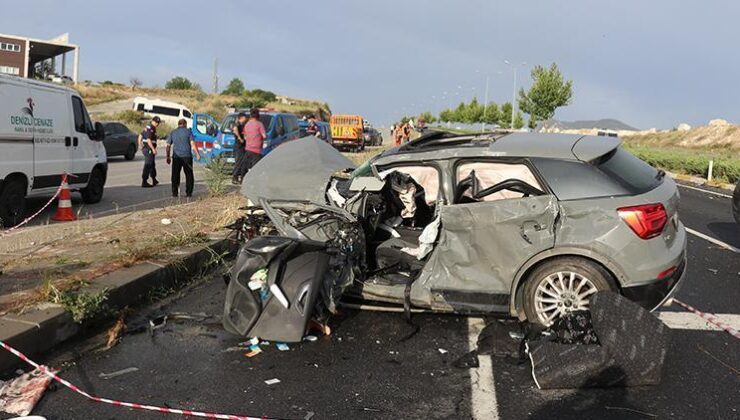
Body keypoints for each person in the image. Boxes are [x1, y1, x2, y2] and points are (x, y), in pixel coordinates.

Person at [166, 119, 201, 198]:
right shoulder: (188, 132)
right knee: (189, 175)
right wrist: (197, 154)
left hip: (176, 157)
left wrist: (168, 156)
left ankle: (175, 193)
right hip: (187, 156)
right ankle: (188, 193)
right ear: (185, 124)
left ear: (178, 124)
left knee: (175, 175)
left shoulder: (173, 132)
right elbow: (193, 144)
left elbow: (168, 146)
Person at [243, 108, 267, 176]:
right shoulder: (259, 124)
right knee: (255, 168)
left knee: (248, 167)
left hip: (248, 149)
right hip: (257, 150)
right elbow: (264, 136)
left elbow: (245, 136)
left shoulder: (247, 124)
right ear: (258, 115)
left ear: (250, 115)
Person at [139, 116, 161, 188]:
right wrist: (153, 149)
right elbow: (148, 140)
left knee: (152, 164)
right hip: (149, 149)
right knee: (148, 165)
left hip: (147, 148)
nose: (157, 124)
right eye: (156, 122)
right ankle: (144, 181)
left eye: (158, 122)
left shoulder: (149, 128)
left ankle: (154, 179)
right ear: (153, 121)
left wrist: (140, 145)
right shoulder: (150, 128)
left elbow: (140, 136)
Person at [232, 112, 248, 184]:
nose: (245, 119)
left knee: (243, 162)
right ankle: (235, 177)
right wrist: (239, 138)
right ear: (241, 118)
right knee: (238, 162)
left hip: (243, 145)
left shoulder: (242, 125)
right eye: (244, 117)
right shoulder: (237, 124)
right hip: (239, 146)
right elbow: (235, 129)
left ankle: (241, 177)